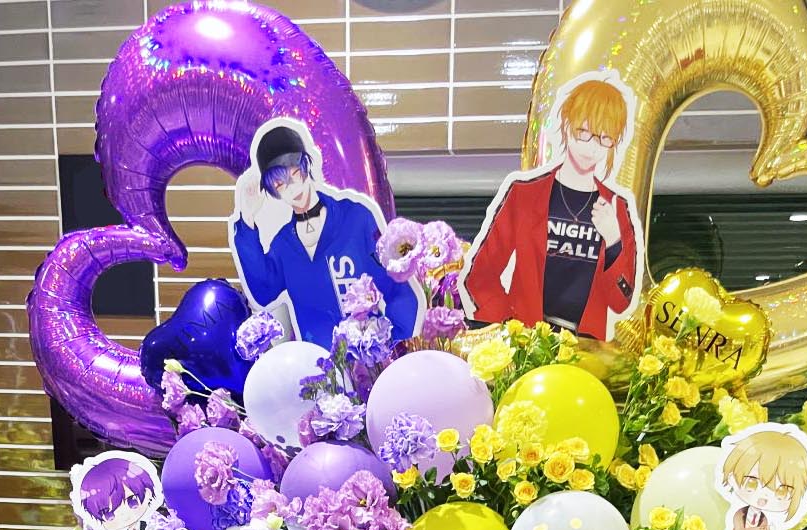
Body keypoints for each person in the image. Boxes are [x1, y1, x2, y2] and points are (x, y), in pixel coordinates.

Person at [461, 76, 640, 339]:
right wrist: (510, 330)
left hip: (584, 352)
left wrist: (614, 241)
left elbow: (620, 301)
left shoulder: (616, 209)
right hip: (526, 346)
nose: (591, 147)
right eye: (583, 132)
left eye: (604, 138)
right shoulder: (523, 195)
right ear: (566, 125)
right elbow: (481, 276)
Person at [231, 120, 422, 349]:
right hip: (316, 365)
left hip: (368, 362)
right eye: (280, 185)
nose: (292, 189)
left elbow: (396, 288)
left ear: (306, 165)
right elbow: (263, 291)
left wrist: (393, 346)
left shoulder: (356, 218)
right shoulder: (283, 243)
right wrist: (247, 218)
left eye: (295, 174)